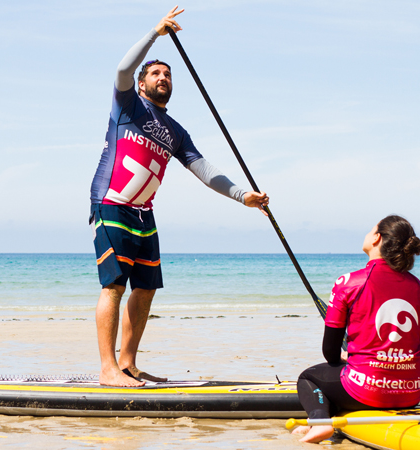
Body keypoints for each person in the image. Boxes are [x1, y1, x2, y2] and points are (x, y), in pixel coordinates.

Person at [89, 6, 269, 387]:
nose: (162, 76)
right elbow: (121, 70)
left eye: (167, 73)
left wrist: (242, 196)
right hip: (112, 205)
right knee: (114, 285)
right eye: (155, 72)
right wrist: (154, 34)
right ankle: (107, 369)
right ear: (142, 84)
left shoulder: (175, 130)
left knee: (147, 288)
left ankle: (128, 364)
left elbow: (204, 170)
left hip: (143, 214)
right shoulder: (127, 106)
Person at [292, 215, 420, 443]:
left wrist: (346, 360)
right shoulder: (417, 286)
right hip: (412, 392)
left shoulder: (349, 282)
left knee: (309, 377)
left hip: (368, 391)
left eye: (369, 230)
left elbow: (330, 353)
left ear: (377, 238)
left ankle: (319, 422)